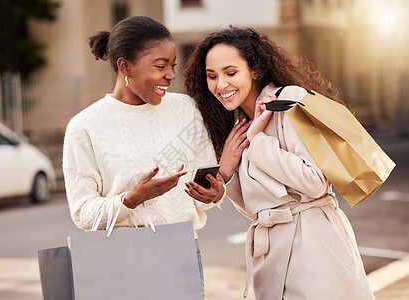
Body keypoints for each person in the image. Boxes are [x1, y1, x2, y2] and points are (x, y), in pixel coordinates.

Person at [184, 26, 375, 300]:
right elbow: (254, 206)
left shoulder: (288, 101)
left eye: (231, 73)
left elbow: (314, 182)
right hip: (269, 255)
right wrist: (224, 176)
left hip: (315, 247)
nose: (220, 85)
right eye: (212, 76)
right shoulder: (236, 127)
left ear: (255, 71)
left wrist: (258, 140)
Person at [62, 15, 225, 297]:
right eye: (160, 66)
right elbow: (83, 213)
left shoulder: (186, 110)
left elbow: (206, 186)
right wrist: (132, 199)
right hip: (119, 262)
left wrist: (213, 194)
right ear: (125, 66)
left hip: (182, 255)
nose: (171, 75)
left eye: (173, 66)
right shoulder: (84, 127)